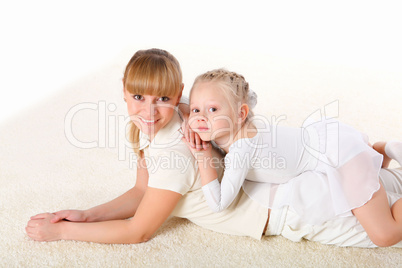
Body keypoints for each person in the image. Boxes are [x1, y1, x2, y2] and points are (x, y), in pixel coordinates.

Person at [26, 49, 402, 248]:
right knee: (380, 183)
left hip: (287, 208)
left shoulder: (176, 148)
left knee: (385, 231)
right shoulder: (157, 119)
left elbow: (139, 230)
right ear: (124, 89)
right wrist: (88, 215)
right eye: (137, 96)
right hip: (285, 184)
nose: (149, 110)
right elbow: (143, 190)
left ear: (177, 94)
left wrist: (62, 234)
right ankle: (382, 152)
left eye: (163, 99)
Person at [184, 68, 402, 246]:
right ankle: (381, 150)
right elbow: (185, 107)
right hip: (332, 142)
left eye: (212, 109)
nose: (201, 117)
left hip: (342, 160)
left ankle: (388, 149)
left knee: (385, 235)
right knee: (373, 176)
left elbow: (219, 203)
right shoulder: (236, 127)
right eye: (195, 110)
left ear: (240, 113)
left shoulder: (242, 150)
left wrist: (203, 158)